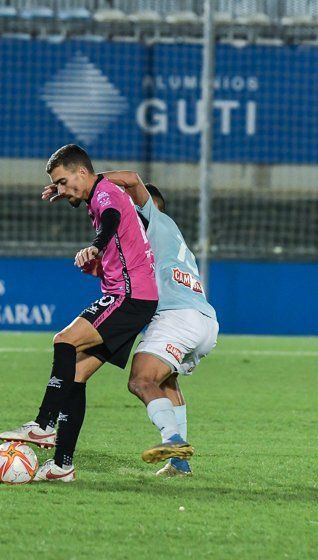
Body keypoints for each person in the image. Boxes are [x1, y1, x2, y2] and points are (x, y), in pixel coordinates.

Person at [0, 144, 188, 482]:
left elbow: (112, 218)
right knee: (76, 376)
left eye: (64, 181)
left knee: (64, 340)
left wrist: (95, 247)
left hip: (129, 297)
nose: (62, 189)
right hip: (134, 297)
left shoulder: (104, 193)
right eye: (57, 184)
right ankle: (62, 466)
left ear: (83, 173)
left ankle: (43, 425)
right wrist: (100, 261)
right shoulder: (97, 193)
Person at [104, 171, 218, 477]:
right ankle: (180, 464)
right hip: (204, 321)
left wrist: (90, 182)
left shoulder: (153, 219)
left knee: (141, 381)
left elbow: (130, 178)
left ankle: (173, 440)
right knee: (165, 380)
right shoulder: (165, 238)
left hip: (177, 316)